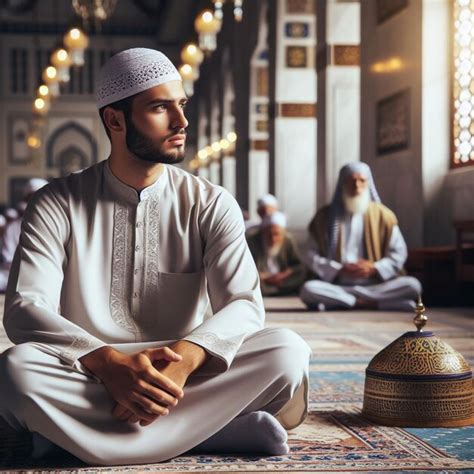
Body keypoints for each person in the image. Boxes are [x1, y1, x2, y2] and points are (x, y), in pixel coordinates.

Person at [0, 48, 311, 466]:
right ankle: (214, 433)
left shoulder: (210, 203)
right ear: (115, 120)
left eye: (181, 105)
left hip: (184, 369)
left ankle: (68, 440)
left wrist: (185, 362)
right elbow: (25, 307)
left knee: (287, 351)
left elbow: (243, 304)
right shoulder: (57, 203)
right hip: (90, 369)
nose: (181, 122)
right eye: (161, 107)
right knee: (17, 371)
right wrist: (108, 363)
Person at [300, 162, 421, 311]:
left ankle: (346, 302)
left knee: (413, 285)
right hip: (338, 284)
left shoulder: (384, 215)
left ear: (368, 183)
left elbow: (399, 253)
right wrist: (337, 269)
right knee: (308, 289)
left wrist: (374, 268)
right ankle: (375, 304)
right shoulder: (324, 217)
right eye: (351, 181)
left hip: (375, 284)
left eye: (362, 181)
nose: (356, 186)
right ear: (342, 184)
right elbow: (309, 253)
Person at [0, 179, 48, 293]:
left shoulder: (56, 224)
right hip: (13, 275)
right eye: (32, 196)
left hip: (45, 274)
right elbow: (9, 259)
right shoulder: (12, 227)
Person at [247, 212, 306, 296]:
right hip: (261, 278)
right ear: (263, 232)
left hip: (281, 279)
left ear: (283, 233)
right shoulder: (253, 241)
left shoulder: (288, 241)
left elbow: (297, 265)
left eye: (276, 234)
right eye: (269, 234)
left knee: (301, 273)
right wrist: (264, 276)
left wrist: (284, 274)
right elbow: (247, 267)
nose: (273, 238)